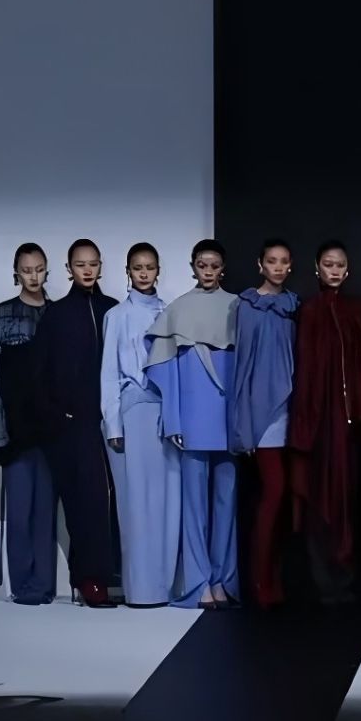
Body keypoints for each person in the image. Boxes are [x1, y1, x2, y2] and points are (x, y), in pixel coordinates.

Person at [146, 240, 241, 608]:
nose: (208, 270)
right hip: (192, 417)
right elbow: (166, 371)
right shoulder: (178, 309)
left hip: (228, 416)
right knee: (194, 507)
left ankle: (223, 581)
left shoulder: (237, 307)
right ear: (192, 267)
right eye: (202, 264)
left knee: (227, 505)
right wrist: (173, 420)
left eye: (214, 264)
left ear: (223, 268)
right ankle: (200, 582)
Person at [37, 239, 120, 606]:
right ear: (69, 268)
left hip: (113, 420)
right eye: (80, 264)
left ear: (101, 266)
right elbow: (42, 372)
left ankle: (115, 574)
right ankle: (90, 579)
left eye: (93, 263)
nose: (87, 270)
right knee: (84, 501)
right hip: (75, 423)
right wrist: (60, 415)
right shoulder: (56, 314)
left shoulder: (112, 309)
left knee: (113, 501)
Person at [288, 240, 361, 605]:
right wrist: (304, 425)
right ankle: (321, 580)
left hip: (348, 423)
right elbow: (303, 371)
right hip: (316, 422)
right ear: (317, 269)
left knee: (346, 500)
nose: (334, 270)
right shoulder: (308, 312)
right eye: (328, 264)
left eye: (339, 265)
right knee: (318, 499)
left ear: (347, 271)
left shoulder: (354, 312)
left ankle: (345, 575)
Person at [102, 243, 183, 607]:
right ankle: (141, 590)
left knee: (168, 500)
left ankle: (165, 587)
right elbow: (108, 373)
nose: (144, 273)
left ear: (158, 270)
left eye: (150, 267)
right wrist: (113, 425)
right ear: (128, 271)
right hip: (133, 413)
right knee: (135, 505)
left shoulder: (170, 312)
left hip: (167, 414)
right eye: (138, 267)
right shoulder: (117, 315)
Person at [230, 239, 300, 609]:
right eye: (271, 261)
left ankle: (276, 576)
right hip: (263, 414)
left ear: (290, 266)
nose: (278, 267)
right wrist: (243, 423)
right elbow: (241, 365)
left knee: (285, 500)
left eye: (283, 261)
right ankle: (260, 579)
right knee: (273, 494)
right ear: (260, 265)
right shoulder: (247, 306)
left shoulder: (294, 305)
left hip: (292, 409)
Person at [0, 244, 54, 602]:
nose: (33, 276)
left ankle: (44, 585)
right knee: (20, 509)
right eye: (27, 270)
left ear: (47, 270)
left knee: (45, 512)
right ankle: (23, 586)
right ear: (17, 273)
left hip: (52, 429)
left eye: (39, 269)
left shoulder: (57, 314)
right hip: (14, 428)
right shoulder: (1, 316)